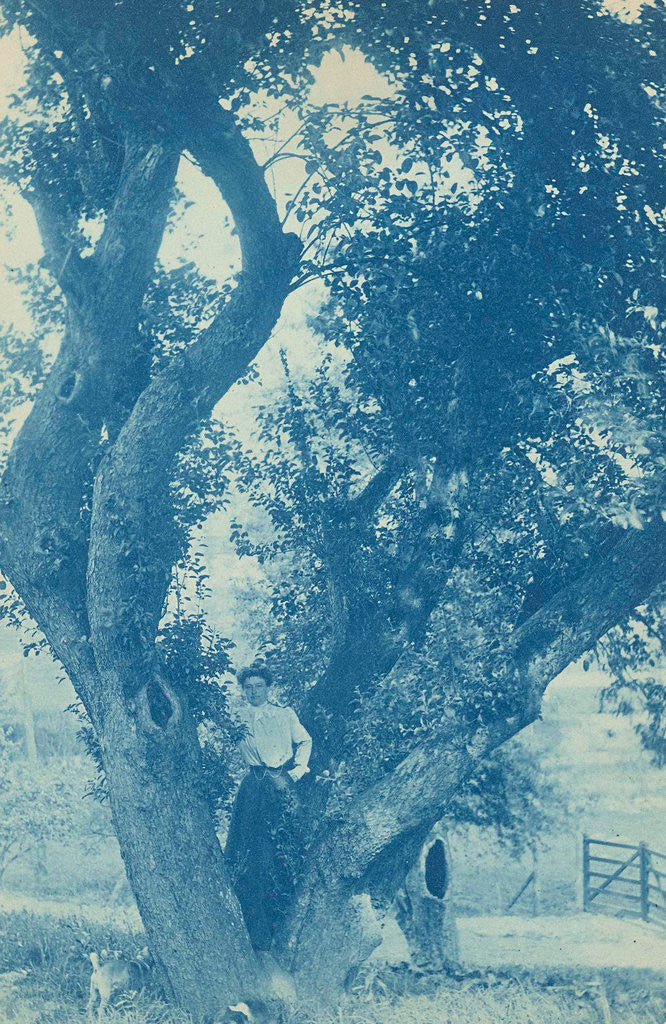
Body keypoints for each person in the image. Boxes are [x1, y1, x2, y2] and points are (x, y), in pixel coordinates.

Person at [225, 664, 312, 950]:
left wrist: (297, 772)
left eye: (258, 686)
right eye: (248, 687)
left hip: (280, 783)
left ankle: (283, 925)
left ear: (268, 687)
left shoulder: (284, 714)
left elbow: (304, 740)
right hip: (253, 787)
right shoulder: (237, 717)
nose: (253, 692)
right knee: (251, 852)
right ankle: (254, 930)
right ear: (243, 690)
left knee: (285, 849)